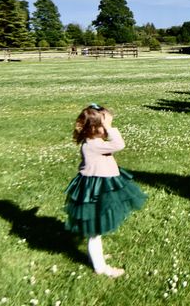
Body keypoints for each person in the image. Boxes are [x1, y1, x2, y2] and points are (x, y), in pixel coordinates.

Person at [64, 104, 146, 278]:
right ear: (95, 128)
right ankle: (100, 267)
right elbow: (119, 144)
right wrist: (110, 127)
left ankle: (97, 255)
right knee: (95, 231)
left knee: (96, 230)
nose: (108, 128)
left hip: (100, 186)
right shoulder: (93, 145)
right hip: (96, 191)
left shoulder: (94, 141)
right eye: (106, 125)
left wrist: (106, 125)